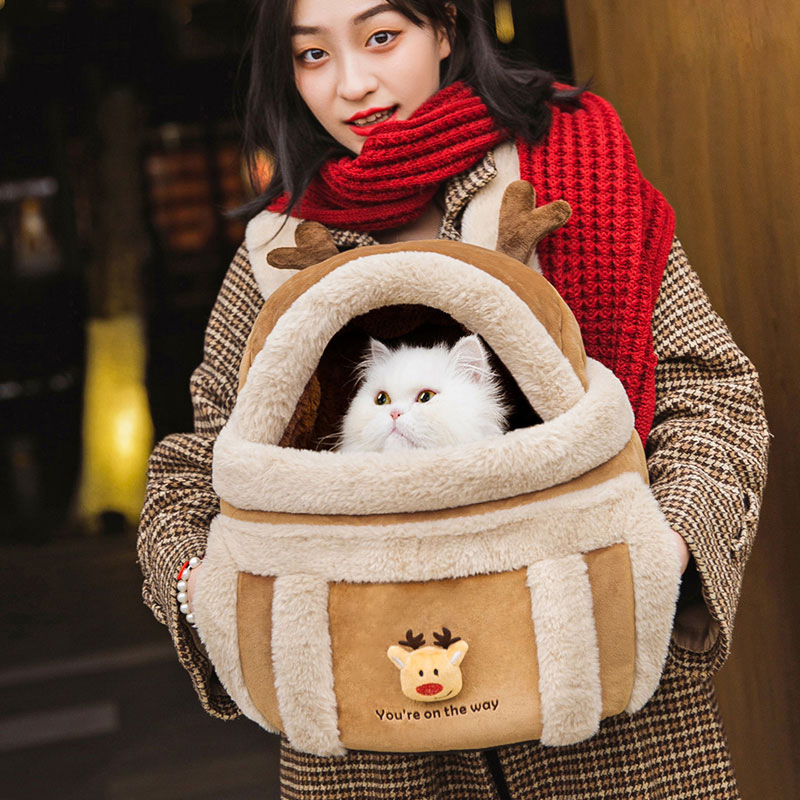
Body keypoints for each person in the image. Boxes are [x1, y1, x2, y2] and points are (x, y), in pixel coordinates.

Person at [137, 1, 769, 797]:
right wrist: (203, 587)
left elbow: (709, 391)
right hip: (372, 742)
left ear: (443, 27)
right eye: (312, 56)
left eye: (380, 37)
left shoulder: (572, 175)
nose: (352, 84)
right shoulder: (277, 254)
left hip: (607, 717)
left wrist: (657, 554)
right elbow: (196, 468)